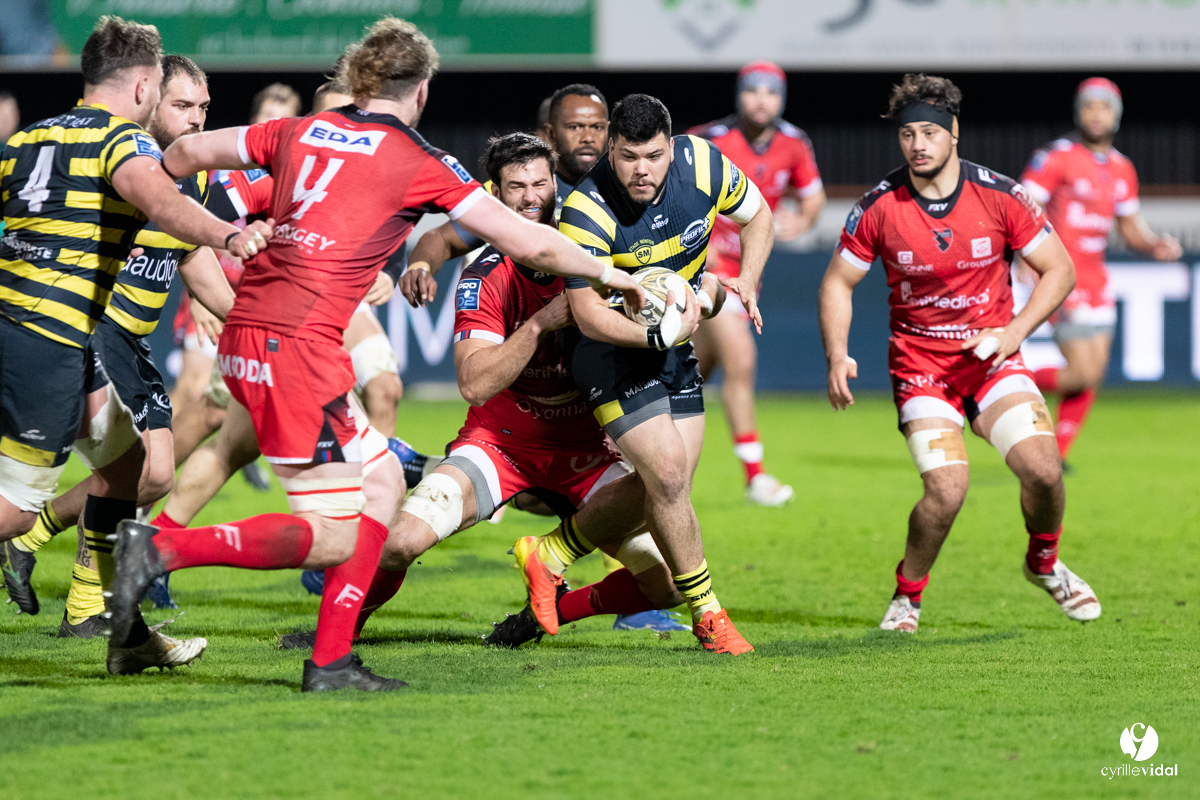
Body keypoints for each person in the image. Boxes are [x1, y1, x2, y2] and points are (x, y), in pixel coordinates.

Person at [105, 18, 642, 692]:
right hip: (295, 345)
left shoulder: (295, 131)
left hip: (255, 332)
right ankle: (161, 549)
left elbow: (182, 159)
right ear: (420, 91)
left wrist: (206, 226)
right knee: (336, 532)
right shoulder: (418, 160)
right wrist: (613, 274)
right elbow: (529, 243)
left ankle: (330, 658)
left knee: (384, 482)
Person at [284, 133, 699, 652]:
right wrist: (539, 325)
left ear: (557, 186)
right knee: (400, 544)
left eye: (540, 184)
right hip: (502, 444)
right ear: (497, 196)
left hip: (587, 450)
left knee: (666, 583)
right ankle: (337, 632)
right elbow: (473, 383)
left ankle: (543, 614)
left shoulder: (598, 249)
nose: (530, 197)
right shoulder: (485, 274)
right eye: (516, 187)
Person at [0, 16, 271, 674]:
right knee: (12, 511)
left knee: (133, 469)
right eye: (181, 102)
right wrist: (229, 235)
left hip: (37, 330)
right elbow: (161, 201)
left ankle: (119, 627)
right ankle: (63, 571)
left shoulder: (28, 140)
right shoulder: (125, 146)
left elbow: (196, 271)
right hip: (53, 335)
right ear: (146, 85)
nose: (194, 117)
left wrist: (261, 329)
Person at [817, 73, 1102, 634]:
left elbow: (1060, 269)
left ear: (954, 134)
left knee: (1044, 471)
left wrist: (1015, 332)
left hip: (992, 360)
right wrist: (836, 354)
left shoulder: (999, 195)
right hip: (922, 369)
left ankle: (1043, 564)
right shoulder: (879, 206)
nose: (917, 144)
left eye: (929, 132)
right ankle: (908, 595)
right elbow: (836, 284)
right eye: (907, 134)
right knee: (947, 491)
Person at [554, 94, 776, 655]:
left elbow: (759, 216)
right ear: (611, 149)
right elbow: (585, 314)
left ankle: (551, 555)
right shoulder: (585, 210)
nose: (641, 170)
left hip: (672, 346)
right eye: (628, 156)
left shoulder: (703, 164)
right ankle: (709, 617)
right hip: (607, 349)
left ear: (672, 147)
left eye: (653, 156)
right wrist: (656, 334)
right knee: (670, 475)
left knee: (666, 489)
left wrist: (746, 279)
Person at [1019, 78, 1182, 463]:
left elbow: (1128, 227)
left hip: (1096, 278)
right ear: (1079, 112)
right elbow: (1024, 207)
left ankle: (1055, 455)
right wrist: (1027, 258)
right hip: (1060, 274)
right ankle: (994, 380)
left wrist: (1152, 244)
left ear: (1116, 115)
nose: (1096, 114)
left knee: (1093, 375)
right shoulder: (1056, 157)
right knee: (1082, 371)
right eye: (1089, 106)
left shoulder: (1123, 169)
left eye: (1104, 107)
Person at [689, 62, 824, 507]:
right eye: (752, 91)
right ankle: (755, 475)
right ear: (739, 95)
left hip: (751, 272)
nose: (761, 99)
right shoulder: (708, 141)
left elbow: (813, 199)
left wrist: (800, 221)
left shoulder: (794, 143)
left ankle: (622, 459)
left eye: (771, 92)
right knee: (741, 360)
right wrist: (696, 248)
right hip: (707, 271)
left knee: (689, 375)